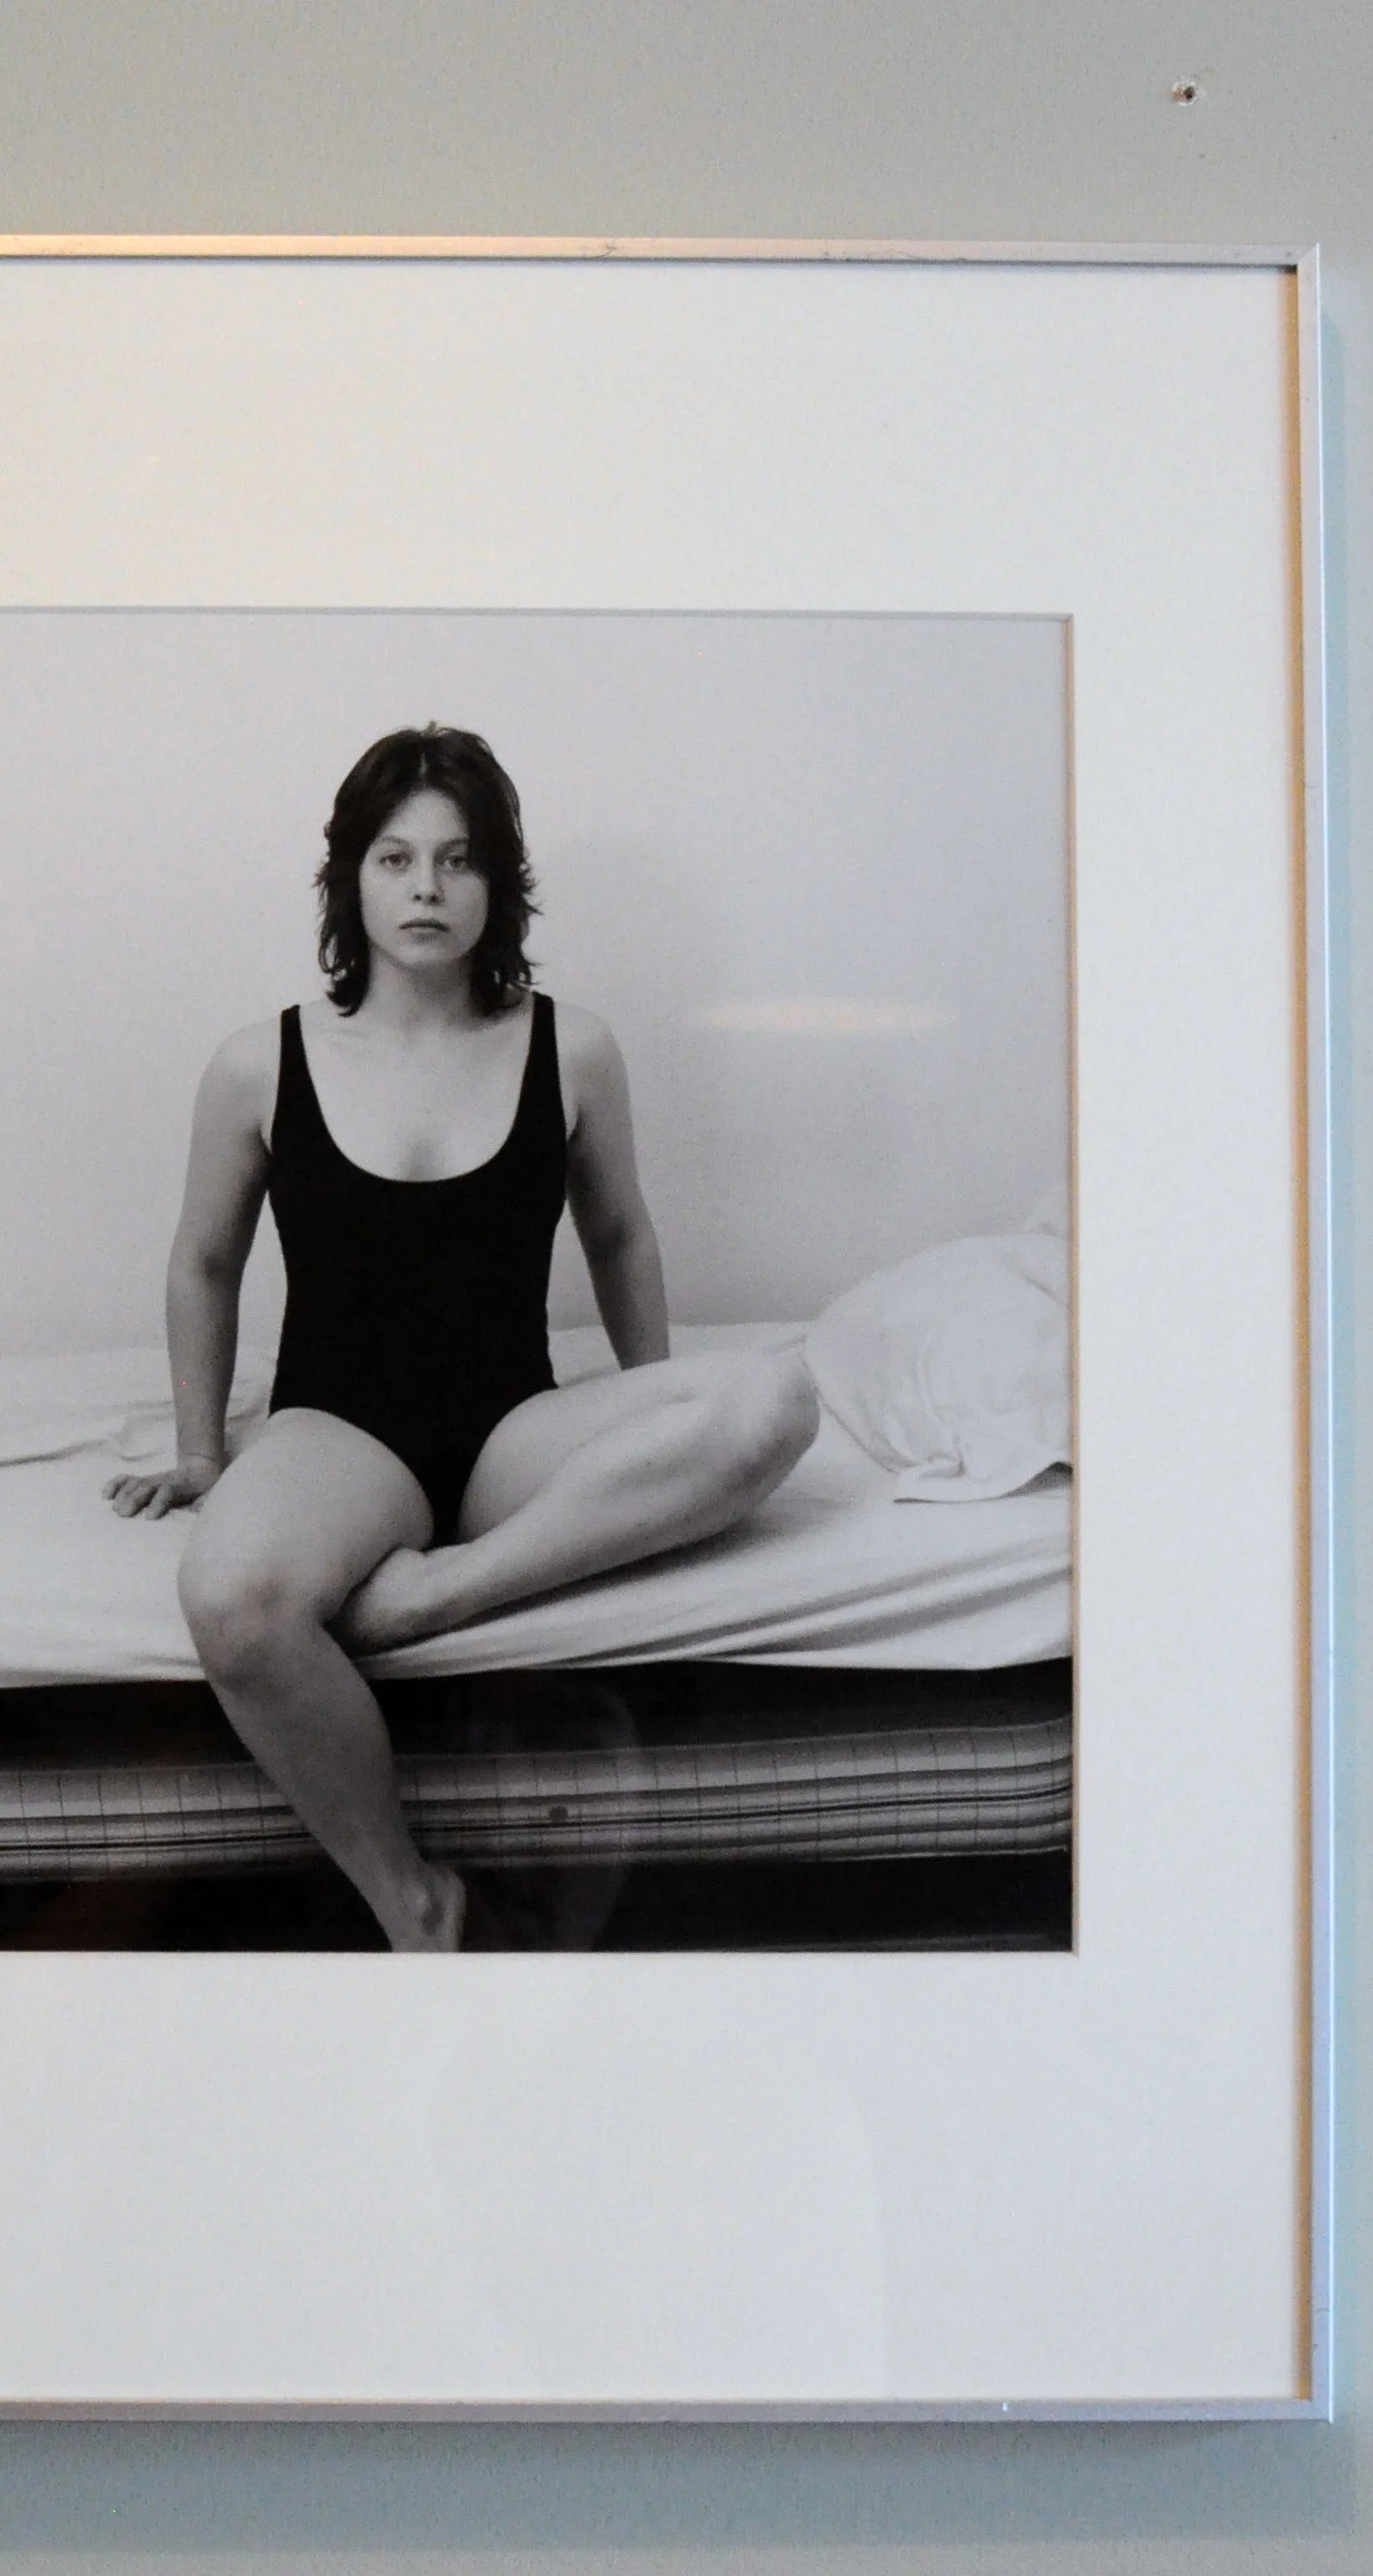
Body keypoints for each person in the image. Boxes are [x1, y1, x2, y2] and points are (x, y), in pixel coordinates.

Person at [104, 726, 820, 1950]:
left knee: (774, 1398)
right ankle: (413, 1897)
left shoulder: (572, 1047)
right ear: (350, 879)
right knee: (230, 1598)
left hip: (513, 1434)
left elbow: (620, 1235)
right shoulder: (258, 1062)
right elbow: (203, 1260)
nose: (426, 888)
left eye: (458, 859)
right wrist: (200, 1450)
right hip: (339, 1433)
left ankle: (435, 1595)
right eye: (395, 858)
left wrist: (649, 1427)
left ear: (499, 883)